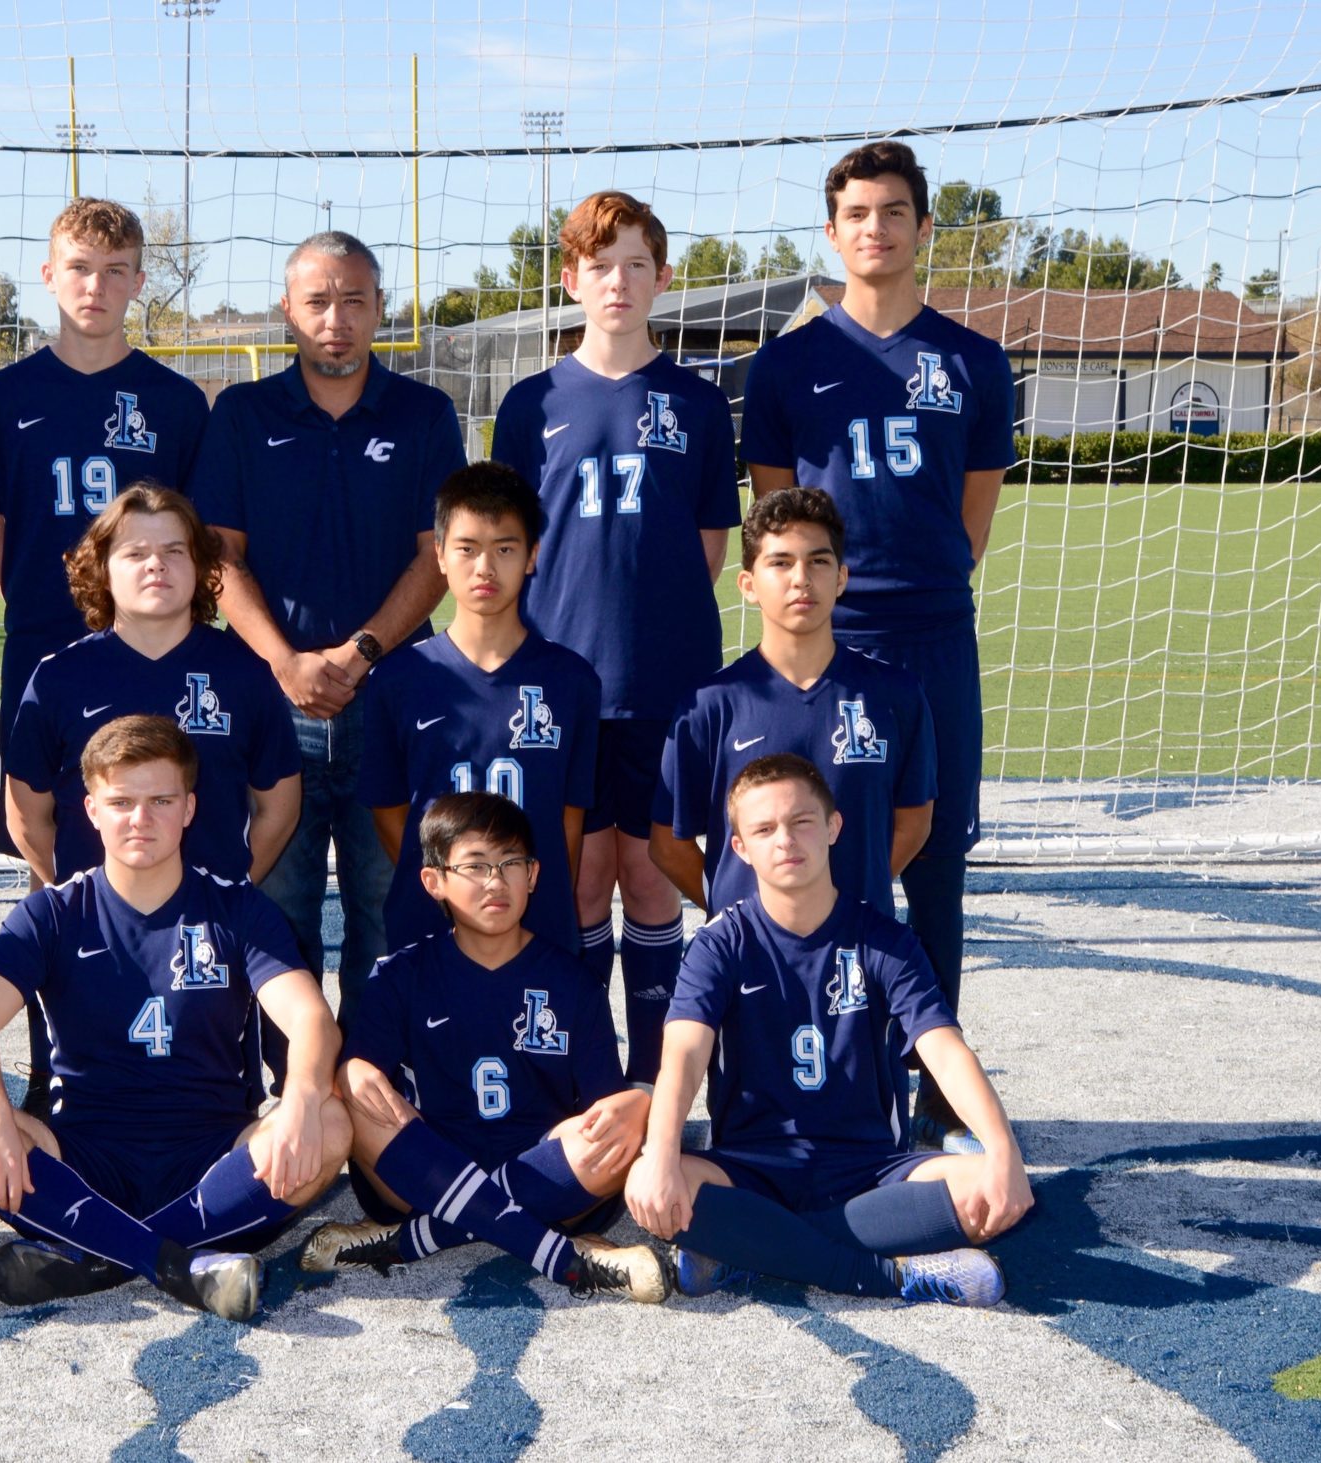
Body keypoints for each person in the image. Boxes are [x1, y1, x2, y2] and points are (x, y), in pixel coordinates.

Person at [740, 140, 1017, 1152]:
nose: (874, 229)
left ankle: (933, 1077)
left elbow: (969, 522)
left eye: (893, 211)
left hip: (932, 636)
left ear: (922, 229)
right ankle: (810, 1069)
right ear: (831, 231)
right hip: (826, 641)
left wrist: (919, 583)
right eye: (855, 212)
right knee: (808, 854)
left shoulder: (973, 361)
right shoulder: (785, 363)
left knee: (934, 857)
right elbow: (777, 518)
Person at [0, 717, 352, 1322]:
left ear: (189, 808)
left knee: (330, 1121)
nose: (140, 819)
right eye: (121, 802)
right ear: (92, 811)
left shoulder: (237, 908)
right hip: (84, 1158)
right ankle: (177, 1261)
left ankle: (96, 1254)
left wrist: (303, 1098)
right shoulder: (53, 912)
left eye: (161, 801)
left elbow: (313, 1019)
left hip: (212, 1159)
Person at [624, 755, 1031, 1307]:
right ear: (740, 847)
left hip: (871, 1167)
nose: (785, 840)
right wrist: (662, 1154)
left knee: (985, 1186)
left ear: (834, 827)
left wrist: (1004, 1152)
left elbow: (945, 1049)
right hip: (754, 1167)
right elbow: (684, 1057)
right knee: (648, 1185)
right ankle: (893, 1276)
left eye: (802, 822)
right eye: (764, 829)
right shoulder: (721, 943)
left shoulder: (884, 939)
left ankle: (752, 1249)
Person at [490, 190, 741, 1083]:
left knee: (651, 879)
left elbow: (707, 546)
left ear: (664, 278)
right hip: (561, 683)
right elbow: (510, 542)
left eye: (638, 264)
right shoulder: (532, 402)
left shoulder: (700, 405)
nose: (619, 282)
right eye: (601, 265)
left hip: (667, 680)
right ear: (572, 279)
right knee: (574, 883)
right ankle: (585, 1072)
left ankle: (652, 1081)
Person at [0, 197, 210, 1110]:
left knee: (163, 851)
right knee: (55, 867)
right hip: (47, 655)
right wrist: (55, 610)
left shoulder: (177, 403)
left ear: (140, 281)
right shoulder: (3, 398)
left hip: (156, 660)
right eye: (79, 268)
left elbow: (195, 538)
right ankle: (57, 1069)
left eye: (115, 272)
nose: (96, 287)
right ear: (48, 275)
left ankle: (180, 1066)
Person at [193, 229, 467, 1019]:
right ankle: (293, 1103)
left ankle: (377, 1108)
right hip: (277, 706)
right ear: (288, 310)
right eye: (317, 300)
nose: (335, 317)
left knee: (391, 914)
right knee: (278, 913)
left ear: (381, 309)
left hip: (393, 699)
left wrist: (359, 652)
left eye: (354, 299)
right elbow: (219, 554)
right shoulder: (243, 413)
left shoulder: (424, 414)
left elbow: (436, 552)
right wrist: (285, 662)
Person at [303, 793, 667, 1302]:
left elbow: (603, 1109)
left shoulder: (572, 980)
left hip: (545, 1168)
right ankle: (562, 1256)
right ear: (434, 881)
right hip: (428, 1163)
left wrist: (634, 1104)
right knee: (349, 1093)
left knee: (633, 1118)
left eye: (510, 864)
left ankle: (414, 1240)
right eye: (474, 866)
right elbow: (361, 1085)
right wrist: (355, 1071)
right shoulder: (401, 974)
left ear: (534, 875)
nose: (495, 881)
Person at [651, 485, 934, 921]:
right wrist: (741, 913)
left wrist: (840, 910)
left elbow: (913, 824)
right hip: (749, 958)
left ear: (841, 577)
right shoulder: (709, 706)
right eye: (781, 562)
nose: (801, 578)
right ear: (747, 584)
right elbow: (669, 845)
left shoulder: (894, 696)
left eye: (818, 561)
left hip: (855, 953)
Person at [3, 483, 300, 888]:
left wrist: (231, 892)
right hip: (93, 926)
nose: (156, 564)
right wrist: (77, 891)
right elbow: (25, 815)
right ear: (102, 569)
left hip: (208, 932)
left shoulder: (245, 673)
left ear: (201, 566)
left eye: (174, 551)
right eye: (136, 553)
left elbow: (279, 807)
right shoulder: (58, 677)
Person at [357, 462, 598, 956]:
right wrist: (454, 885)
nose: (485, 568)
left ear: (532, 555)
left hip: (538, 925)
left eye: (504, 549)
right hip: (430, 927)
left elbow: (568, 820)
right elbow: (390, 814)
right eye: (467, 549)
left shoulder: (572, 681)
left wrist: (520, 888)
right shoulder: (397, 680)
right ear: (440, 556)